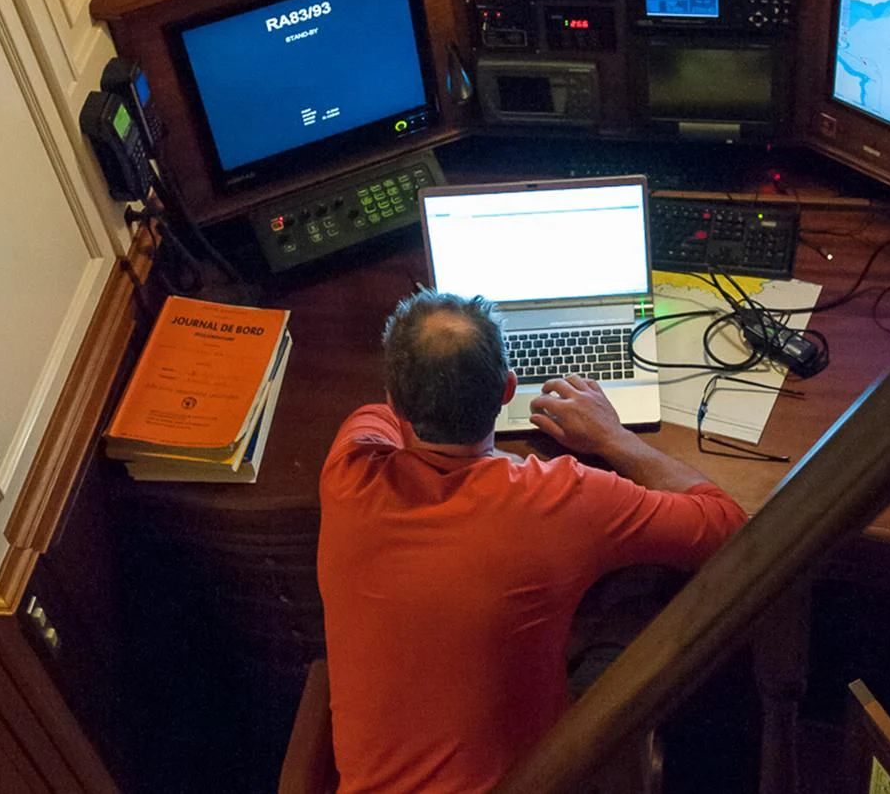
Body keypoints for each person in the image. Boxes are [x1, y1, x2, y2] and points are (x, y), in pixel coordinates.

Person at [318, 290, 747, 794]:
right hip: (536, 781)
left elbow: (381, 416)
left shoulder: (348, 470)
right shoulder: (561, 498)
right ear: (508, 389)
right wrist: (613, 437)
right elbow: (727, 525)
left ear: (395, 398)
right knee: (642, 611)